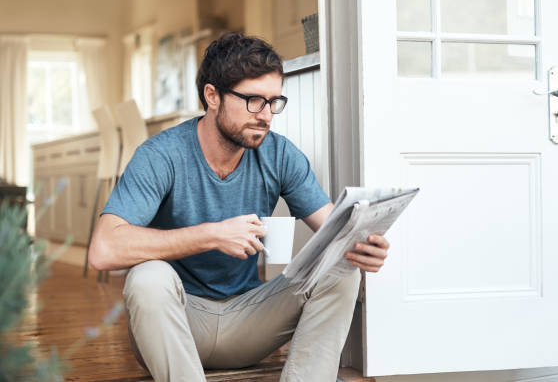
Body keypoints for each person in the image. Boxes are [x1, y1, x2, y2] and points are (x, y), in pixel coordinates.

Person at [88, 32, 390, 382]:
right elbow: (103, 250)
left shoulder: (280, 154)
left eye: (274, 102)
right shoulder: (160, 156)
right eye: (253, 100)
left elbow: (333, 229)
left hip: (250, 321)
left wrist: (363, 247)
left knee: (341, 266)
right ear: (212, 96)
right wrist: (211, 235)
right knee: (146, 278)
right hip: (178, 325)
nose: (265, 115)